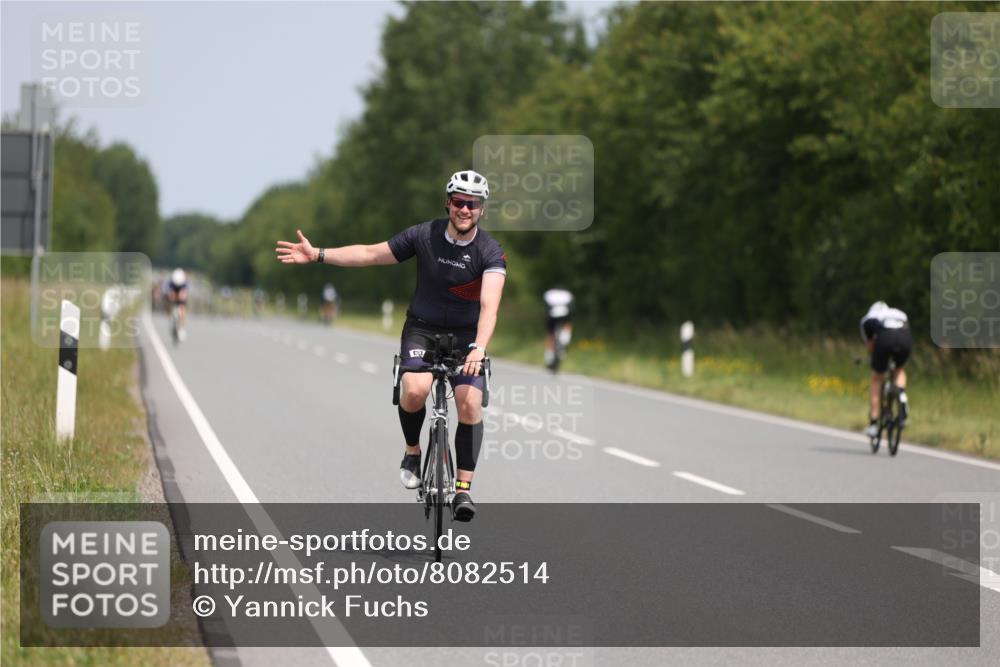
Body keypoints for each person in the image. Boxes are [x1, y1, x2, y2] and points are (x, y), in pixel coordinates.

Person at [276, 170, 506, 521]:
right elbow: (370, 254)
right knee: (414, 390)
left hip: (466, 337)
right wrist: (319, 254)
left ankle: (463, 490)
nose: (465, 209)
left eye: (472, 204)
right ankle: (413, 450)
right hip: (423, 329)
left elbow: (490, 306)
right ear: (448, 203)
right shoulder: (423, 235)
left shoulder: (489, 251)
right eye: (459, 201)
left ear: (482, 209)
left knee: (470, 401)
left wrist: (479, 347)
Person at [859, 301, 911, 437]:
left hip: (885, 338)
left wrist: (875, 360)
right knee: (899, 369)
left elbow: (871, 346)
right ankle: (902, 396)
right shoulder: (898, 312)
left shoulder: (867, 319)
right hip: (905, 337)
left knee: (877, 378)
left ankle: (874, 423)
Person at [543, 287, 574, 371]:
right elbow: (571, 307)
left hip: (552, 314)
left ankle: (549, 357)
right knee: (568, 323)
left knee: (550, 334)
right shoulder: (567, 294)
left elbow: (546, 307)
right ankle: (565, 340)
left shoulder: (549, 293)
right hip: (565, 313)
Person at [167, 268, 188, 341]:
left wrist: (181, 297)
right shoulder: (171, 283)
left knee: (182, 310)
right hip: (174, 294)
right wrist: (172, 296)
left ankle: (182, 329)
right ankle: (171, 319)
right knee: (170, 303)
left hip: (181, 297)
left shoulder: (184, 283)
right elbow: (170, 293)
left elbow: (184, 294)